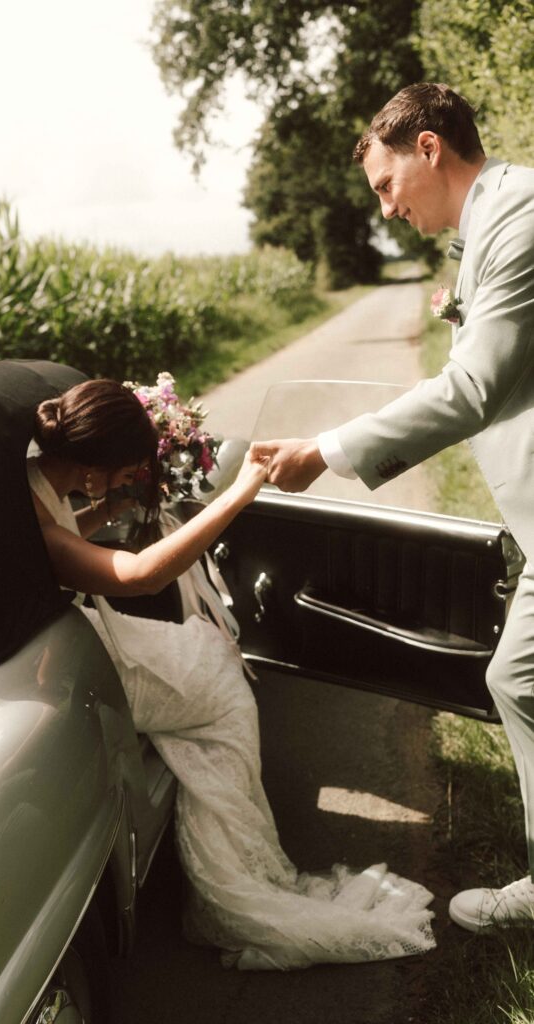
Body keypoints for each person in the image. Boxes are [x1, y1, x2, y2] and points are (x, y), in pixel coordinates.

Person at [27, 376, 435, 969]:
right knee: (225, 701)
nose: (127, 480)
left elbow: (68, 536)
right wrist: (237, 496)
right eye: (123, 472)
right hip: (88, 663)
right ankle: (237, 889)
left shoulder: (40, 482)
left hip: (92, 634)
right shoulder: (34, 517)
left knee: (212, 654)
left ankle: (232, 858)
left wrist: (110, 509)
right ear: (94, 464)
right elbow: (138, 574)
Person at [251, 82, 534, 933]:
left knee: (517, 677)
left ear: (427, 149)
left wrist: (326, 451)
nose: (384, 208)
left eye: (384, 187)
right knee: (517, 678)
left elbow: (473, 388)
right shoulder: (486, 223)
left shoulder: (519, 220)